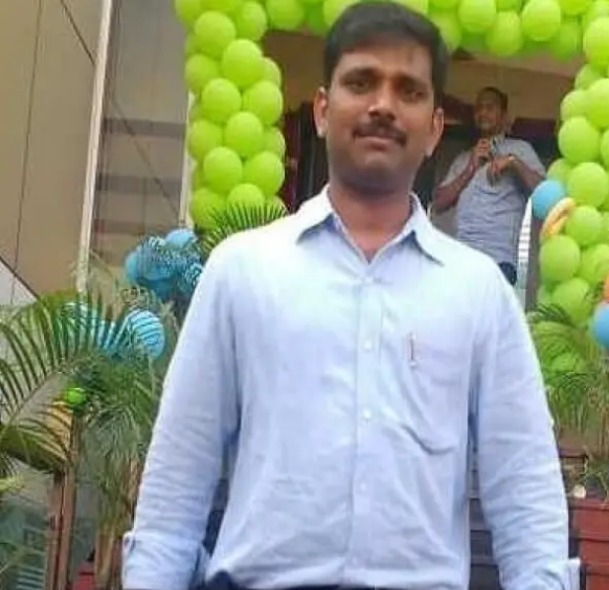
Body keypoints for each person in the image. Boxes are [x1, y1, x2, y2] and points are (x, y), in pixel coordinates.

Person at [122, 3, 571, 590]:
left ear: (435, 128)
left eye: (408, 90)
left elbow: (526, 491)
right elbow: (176, 486)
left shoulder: (479, 293)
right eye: (361, 82)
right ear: (321, 110)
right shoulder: (243, 270)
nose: (383, 104)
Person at [432, 87, 545, 286]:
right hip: (461, 260)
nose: (482, 112)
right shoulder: (465, 157)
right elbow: (438, 204)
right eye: (479, 108)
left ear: (504, 115)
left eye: (490, 107)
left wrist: (513, 162)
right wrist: (470, 168)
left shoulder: (520, 149)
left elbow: (544, 193)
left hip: (498, 262)